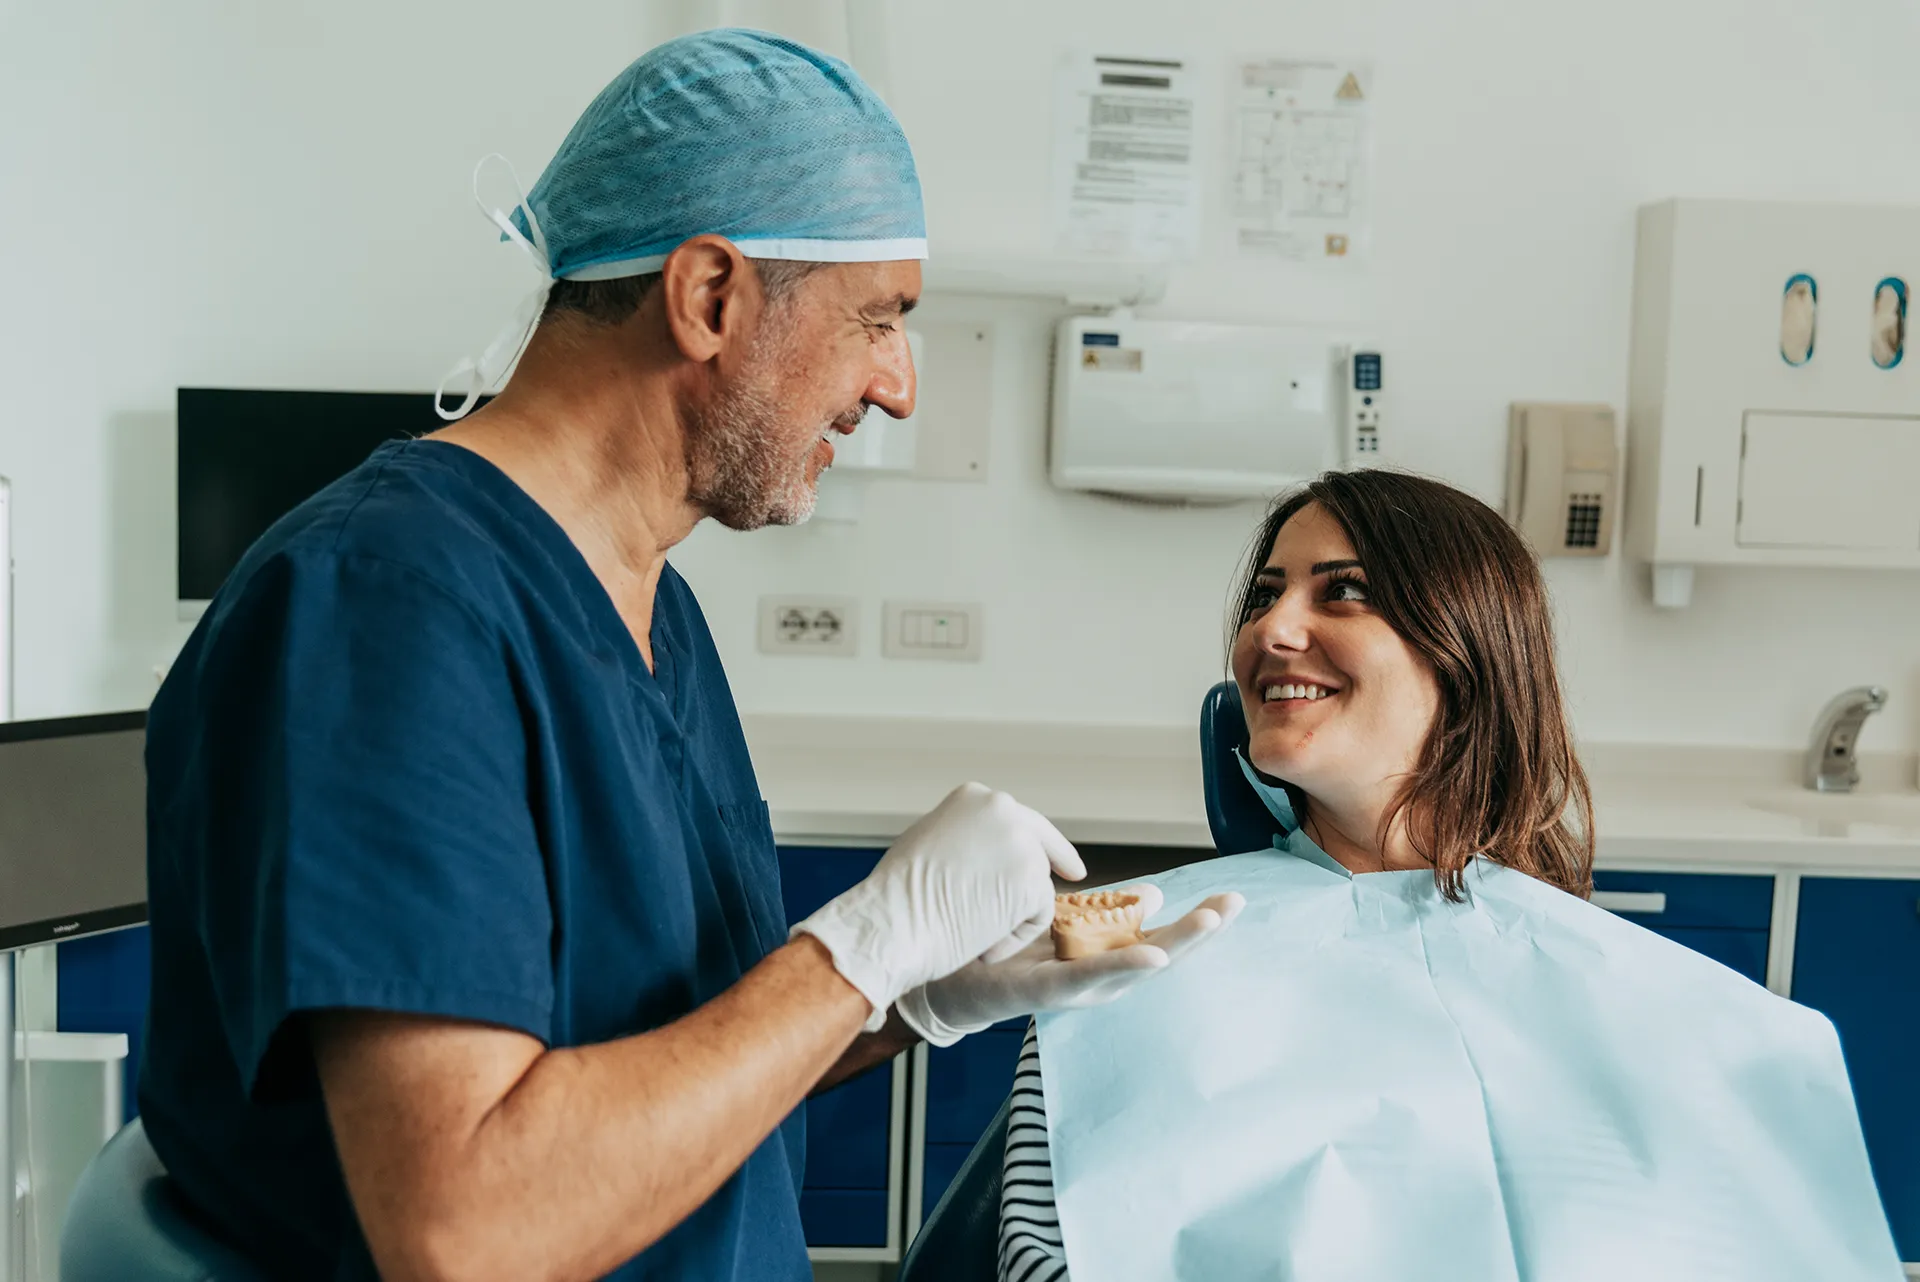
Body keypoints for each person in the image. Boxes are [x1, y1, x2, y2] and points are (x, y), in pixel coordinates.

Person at [138, 30, 1234, 1282]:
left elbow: (669, 1063)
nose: (900, 386)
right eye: (878, 318)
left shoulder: (650, 602)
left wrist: (910, 996)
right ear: (710, 296)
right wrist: (855, 950)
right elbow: (467, 1228)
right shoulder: (383, 610)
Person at [996, 469, 1901, 1282]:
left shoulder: (1694, 1017)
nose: (1271, 630)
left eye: (1344, 592)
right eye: (1265, 596)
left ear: (1465, 655)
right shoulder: (1128, 958)